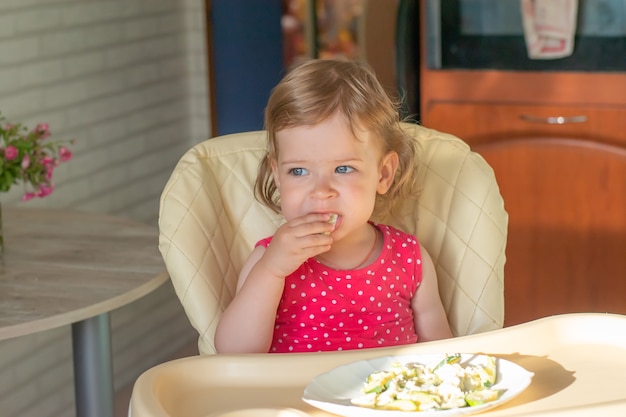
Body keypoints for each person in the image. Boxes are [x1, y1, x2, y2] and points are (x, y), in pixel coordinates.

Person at [214, 59, 453, 354]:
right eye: (298, 171)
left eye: (343, 169)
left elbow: (443, 354)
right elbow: (234, 354)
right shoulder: (269, 261)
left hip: (387, 398)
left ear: (383, 174)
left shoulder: (409, 259)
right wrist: (271, 271)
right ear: (277, 176)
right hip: (293, 398)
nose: (321, 191)